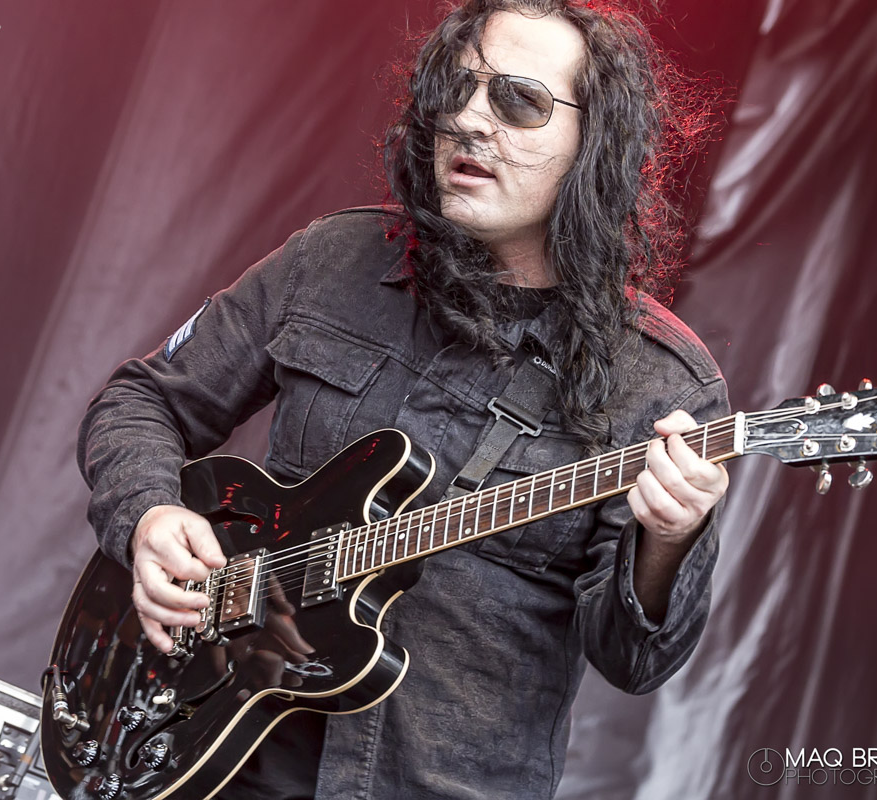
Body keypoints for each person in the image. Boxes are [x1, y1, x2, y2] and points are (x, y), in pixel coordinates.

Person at [77, 1, 730, 797]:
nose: (469, 119)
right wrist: (148, 515)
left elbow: (634, 661)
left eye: (518, 101)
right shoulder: (332, 259)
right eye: (458, 88)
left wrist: (669, 540)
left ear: (595, 143)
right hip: (215, 760)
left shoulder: (664, 383)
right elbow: (141, 401)